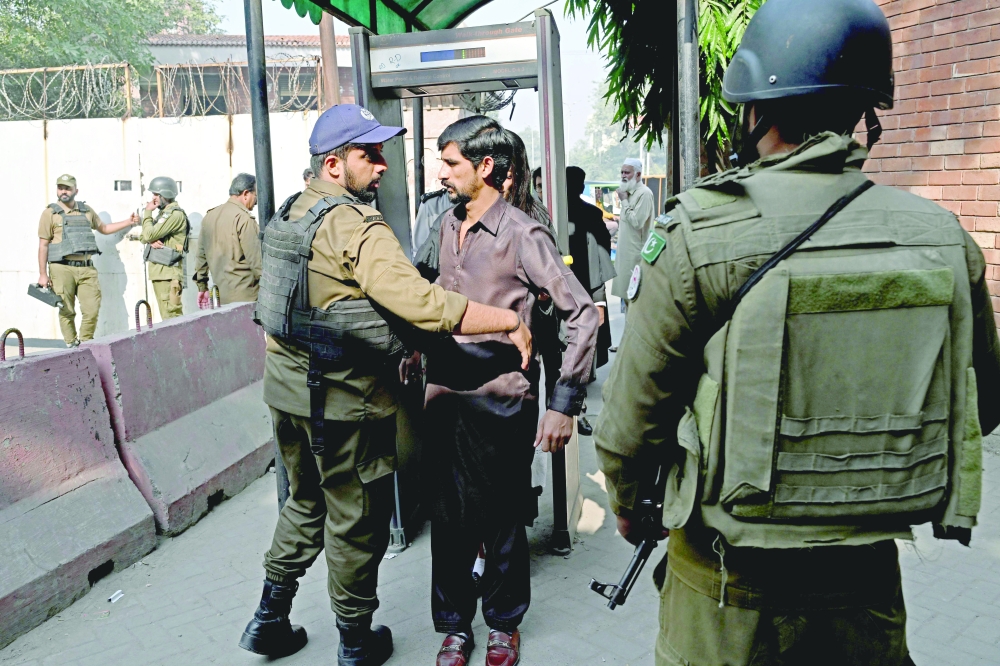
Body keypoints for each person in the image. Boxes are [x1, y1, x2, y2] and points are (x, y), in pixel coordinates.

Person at [595, 1, 1000, 665]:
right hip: (863, 588)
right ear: (865, 112)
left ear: (756, 111)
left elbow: (628, 427)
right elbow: (984, 406)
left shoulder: (699, 234)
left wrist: (630, 506)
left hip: (725, 595)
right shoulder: (941, 238)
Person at [237, 103, 533, 666]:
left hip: (287, 392)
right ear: (332, 165)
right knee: (355, 518)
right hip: (342, 401)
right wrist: (508, 321)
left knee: (303, 503)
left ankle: (268, 620)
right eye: (367, 155)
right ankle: (355, 643)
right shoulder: (354, 224)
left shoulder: (291, 213)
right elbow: (424, 305)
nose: (382, 166)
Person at [424, 116, 598, 666]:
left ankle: (502, 624)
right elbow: (423, 294)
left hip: (502, 400)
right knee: (448, 521)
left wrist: (563, 403)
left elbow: (584, 314)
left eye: (451, 162)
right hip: (442, 396)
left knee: (500, 519)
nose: (442, 172)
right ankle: (454, 627)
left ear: (486, 167)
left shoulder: (524, 233)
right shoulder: (442, 225)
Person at [37, 173, 138, 346]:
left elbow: (104, 228)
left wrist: (128, 222)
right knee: (66, 309)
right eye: (61, 188)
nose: (64, 191)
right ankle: (71, 345)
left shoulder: (86, 210)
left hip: (86, 268)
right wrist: (42, 275)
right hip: (61, 268)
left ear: (76, 190)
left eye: (68, 188)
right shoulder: (49, 213)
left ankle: (84, 343)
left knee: (91, 309)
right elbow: (43, 245)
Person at [193, 173, 262, 307]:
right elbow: (258, 263)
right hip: (247, 299)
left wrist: (202, 287)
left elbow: (201, 257)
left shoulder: (209, 217)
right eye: (256, 196)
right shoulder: (244, 219)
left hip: (220, 299)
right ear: (246, 194)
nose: (256, 201)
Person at [609, 157, 654, 318]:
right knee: (627, 304)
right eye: (622, 172)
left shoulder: (644, 194)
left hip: (636, 258)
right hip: (625, 257)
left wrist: (625, 201)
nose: (623, 175)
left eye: (627, 172)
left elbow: (637, 222)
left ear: (638, 175)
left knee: (636, 305)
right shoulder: (629, 193)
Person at [140, 176, 189, 320]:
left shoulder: (174, 215)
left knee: (172, 318)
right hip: (162, 274)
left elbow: (147, 234)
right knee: (167, 317)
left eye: (156, 194)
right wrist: (150, 240)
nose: (153, 198)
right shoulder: (163, 215)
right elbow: (144, 237)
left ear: (165, 195)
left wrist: (147, 212)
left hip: (168, 274)